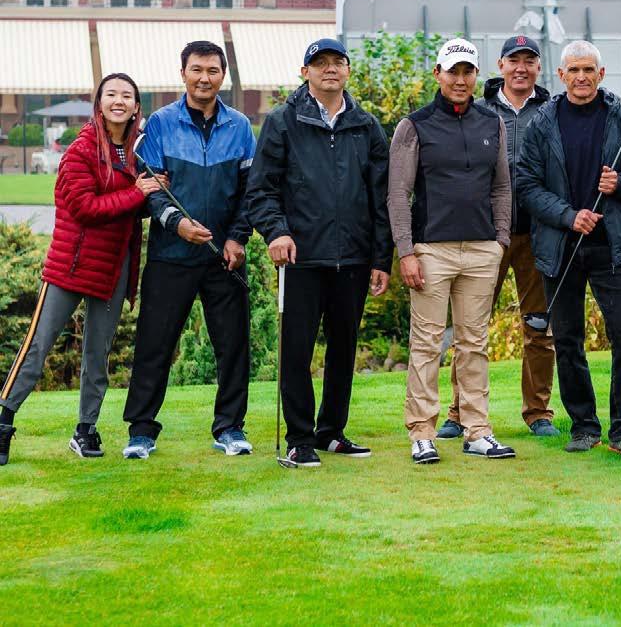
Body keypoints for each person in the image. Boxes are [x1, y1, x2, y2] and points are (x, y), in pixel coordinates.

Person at [0, 74, 164, 466]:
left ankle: (85, 429)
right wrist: (137, 193)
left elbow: (131, 209)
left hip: (114, 268)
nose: (119, 101)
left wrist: (152, 192)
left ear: (137, 106)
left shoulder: (137, 151)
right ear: (99, 103)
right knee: (38, 346)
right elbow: (85, 208)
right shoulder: (81, 150)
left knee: (97, 354)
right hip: (71, 266)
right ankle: (3, 422)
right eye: (112, 94)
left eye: (127, 95)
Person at [246, 37, 393, 468]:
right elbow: (261, 189)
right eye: (320, 62)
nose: (330, 69)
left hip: (353, 259)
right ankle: (299, 438)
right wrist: (276, 231)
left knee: (343, 350)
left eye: (337, 62)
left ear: (348, 70)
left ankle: (331, 432)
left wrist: (380, 259)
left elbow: (381, 198)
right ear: (305, 71)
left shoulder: (366, 126)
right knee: (296, 350)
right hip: (301, 258)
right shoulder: (283, 121)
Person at [517, 39, 621, 459]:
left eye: (588, 70)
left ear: (601, 74)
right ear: (561, 76)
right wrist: (568, 215)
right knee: (568, 339)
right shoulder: (541, 124)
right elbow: (527, 185)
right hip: (560, 247)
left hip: (611, 247)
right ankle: (584, 426)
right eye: (573, 70)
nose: (581, 77)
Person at [122, 41, 256, 460]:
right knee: (154, 345)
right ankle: (141, 431)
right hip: (170, 256)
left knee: (233, 347)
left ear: (223, 76)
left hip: (223, 257)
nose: (204, 78)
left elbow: (250, 193)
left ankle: (230, 427)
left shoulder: (240, 127)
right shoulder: (160, 124)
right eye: (196, 69)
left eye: (213, 70)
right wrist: (177, 224)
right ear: (183, 73)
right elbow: (151, 191)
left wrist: (237, 238)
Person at [390, 38, 516, 464]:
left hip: (482, 249)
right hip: (431, 250)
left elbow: (502, 187)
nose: (460, 80)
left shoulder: (491, 123)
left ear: (476, 75)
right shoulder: (414, 126)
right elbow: (398, 194)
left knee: (474, 344)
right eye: (453, 71)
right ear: (438, 74)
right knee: (427, 344)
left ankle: (477, 430)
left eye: (468, 72)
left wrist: (500, 241)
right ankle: (422, 432)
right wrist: (406, 252)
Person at [438, 35, 558, 440]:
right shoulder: (479, 110)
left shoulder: (552, 111)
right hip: (486, 234)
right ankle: (459, 412)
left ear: (538, 67)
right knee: (471, 327)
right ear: (501, 65)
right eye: (513, 60)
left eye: (529, 61)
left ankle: (538, 412)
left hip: (539, 232)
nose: (521, 68)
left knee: (539, 327)